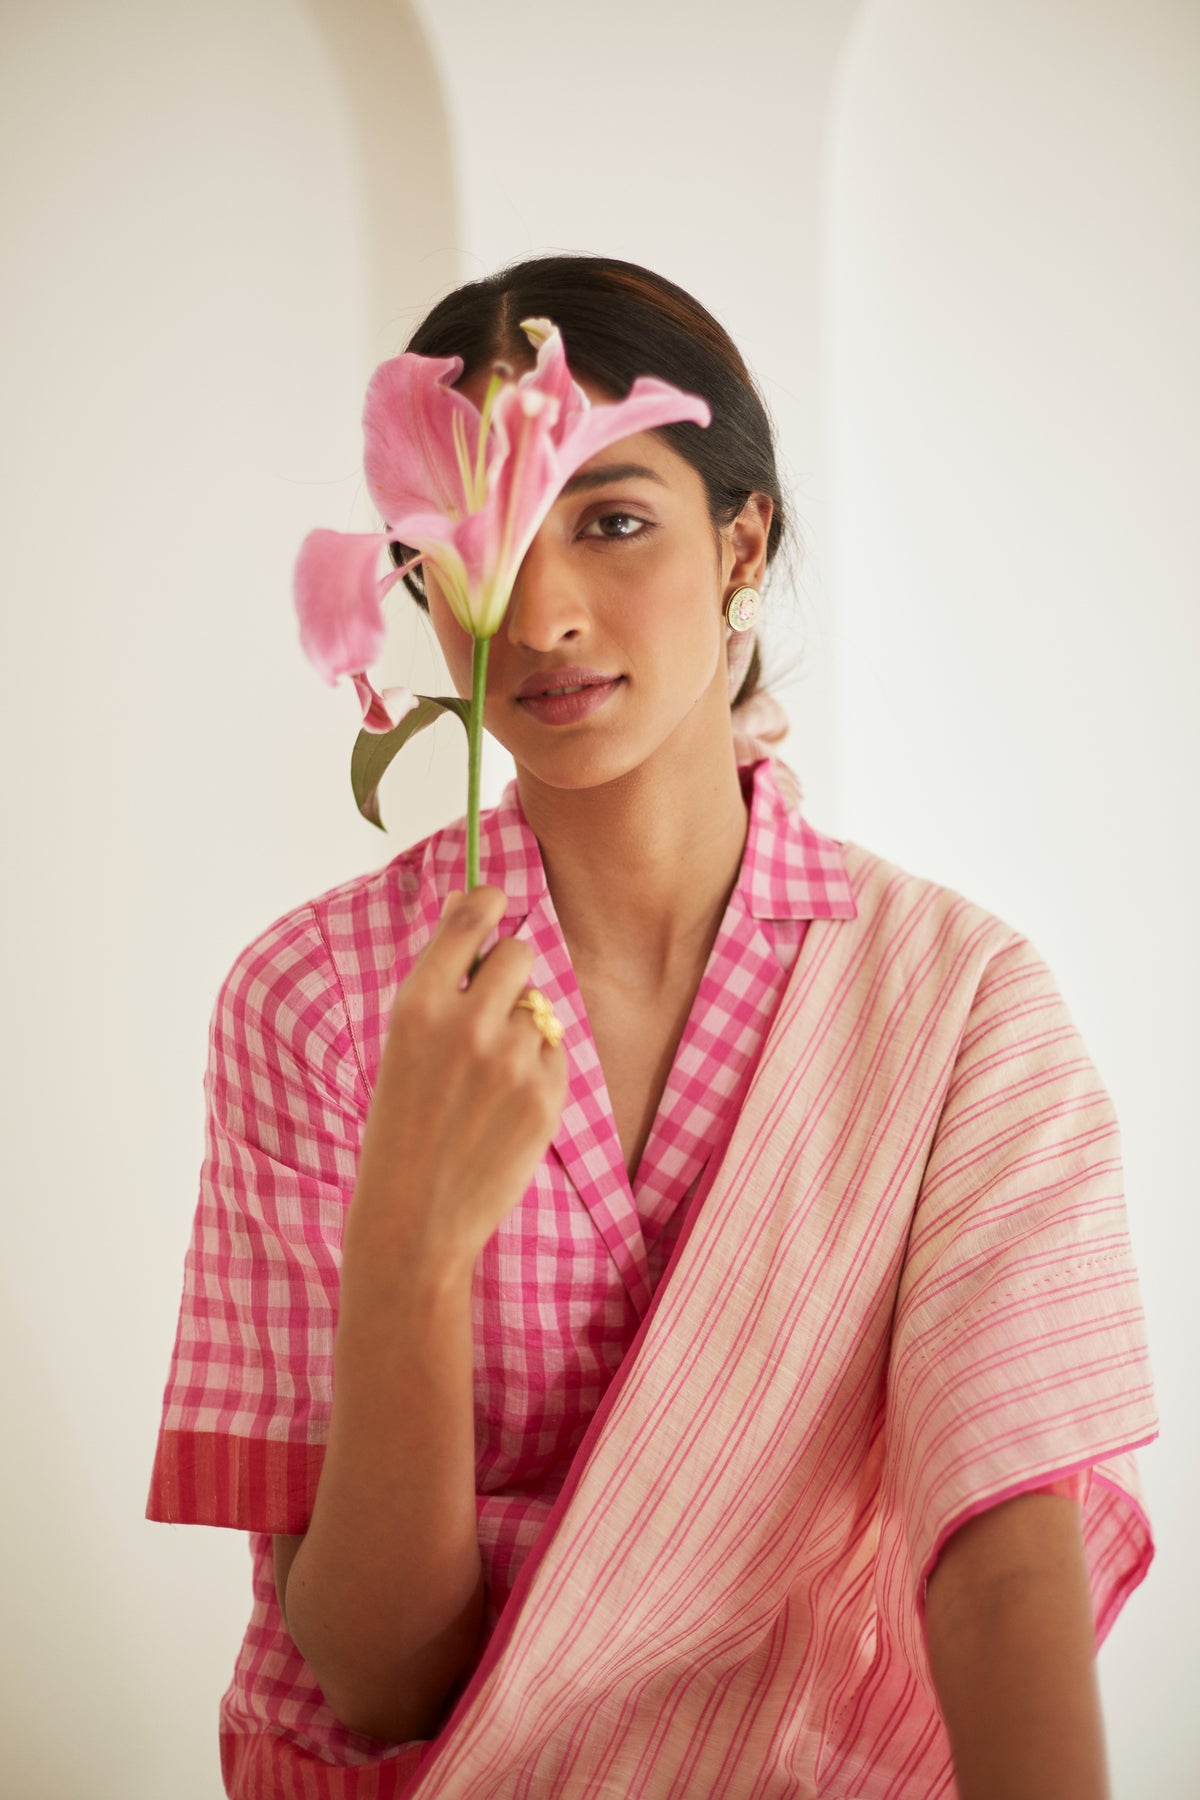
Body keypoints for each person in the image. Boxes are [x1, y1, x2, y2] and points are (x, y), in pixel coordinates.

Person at [148, 256, 1156, 1800]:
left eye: (612, 520)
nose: (537, 611)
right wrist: (412, 1242)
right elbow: (375, 1676)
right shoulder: (322, 1002)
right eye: (461, 547)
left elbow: (1004, 1566)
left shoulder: (957, 1006)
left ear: (740, 541)